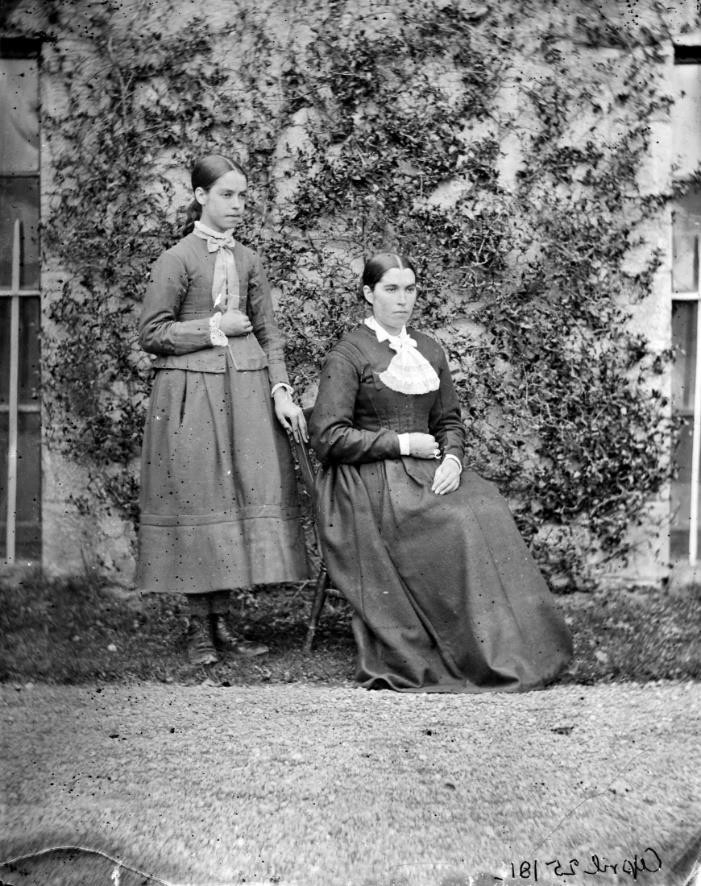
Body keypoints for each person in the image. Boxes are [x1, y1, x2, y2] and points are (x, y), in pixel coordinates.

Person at [309, 252, 572, 692]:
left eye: (410, 289)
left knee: (487, 505)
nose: (402, 300)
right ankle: (471, 651)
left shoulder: (429, 348)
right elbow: (328, 438)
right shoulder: (349, 354)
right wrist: (400, 443)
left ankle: (515, 648)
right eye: (391, 289)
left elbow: (448, 420)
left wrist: (452, 457)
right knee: (460, 521)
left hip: (426, 470)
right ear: (368, 293)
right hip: (368, 482)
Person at [136, 154, 309, 665]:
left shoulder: (251, 260)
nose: (237, 205)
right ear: (201, 196)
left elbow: (269, 331)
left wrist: (280, 389)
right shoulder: (177, 259)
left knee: (234, 499)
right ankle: (198, 630)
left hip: (247, 393)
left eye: (242, 196)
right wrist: (212, 330)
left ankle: (225, 625)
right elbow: (152, 333)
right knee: (199, 500)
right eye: (227, 195)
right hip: (190, 395)